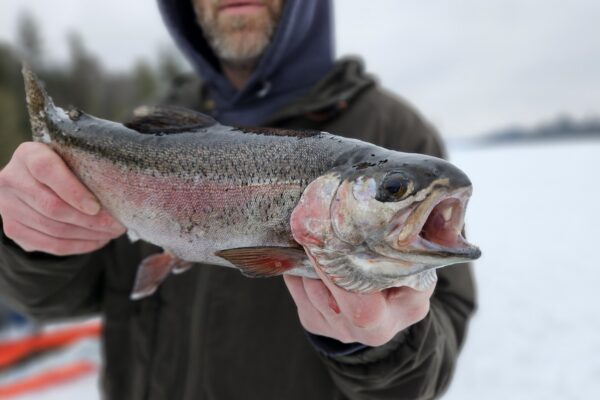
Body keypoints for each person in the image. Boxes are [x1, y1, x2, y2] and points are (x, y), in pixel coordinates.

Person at [0, 0, 476, 398]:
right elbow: (52, 300)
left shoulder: (398, 132)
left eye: (392, 191)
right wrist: (33, 240)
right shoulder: (142, 131)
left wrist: (377, 348)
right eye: (394, 190)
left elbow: (428, 374)